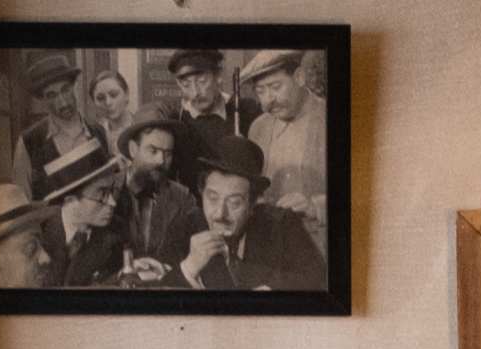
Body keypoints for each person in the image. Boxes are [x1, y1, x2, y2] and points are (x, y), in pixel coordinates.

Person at [181, 139, 328, 294]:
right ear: (201, 193)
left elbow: (315, 277)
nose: (220, 214)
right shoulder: (186, 224)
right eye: (212, 198)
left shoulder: (282, 223)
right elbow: (161, 283)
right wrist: (189, 267)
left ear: (253, 204)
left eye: (235, 202)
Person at [238, 49, 333, 227]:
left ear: (299, 78)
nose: (269, 99)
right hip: (272, 241)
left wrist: (316, 206)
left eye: (275, 87)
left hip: (318, 243)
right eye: (260, 91)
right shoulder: (258, 128)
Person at [113, 120, 202, 284]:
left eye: (168, 153)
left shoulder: (183, 198)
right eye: (153, 150)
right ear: (133, 149)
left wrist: (165, 270)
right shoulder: (108, 192)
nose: (161, 161)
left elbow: (194, 254)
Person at [12, 51, 108, 198]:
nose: (63, 103)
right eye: (52, 95)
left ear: (73, 86)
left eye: (65, 89)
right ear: (42, 99)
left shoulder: (99, 133)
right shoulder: (28, 142)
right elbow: (22, 205)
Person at [39, 147, 128, 288]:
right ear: (70, 201)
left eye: (112, 191)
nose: (112, 202)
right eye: (102, 194)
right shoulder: (38, 233)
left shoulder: (118, 234)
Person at [159, 50, 243, 187]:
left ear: (218, 76)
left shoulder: (243, 111)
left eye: (202, 81)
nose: (195, 92)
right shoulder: (175, 119)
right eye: (186, 85)